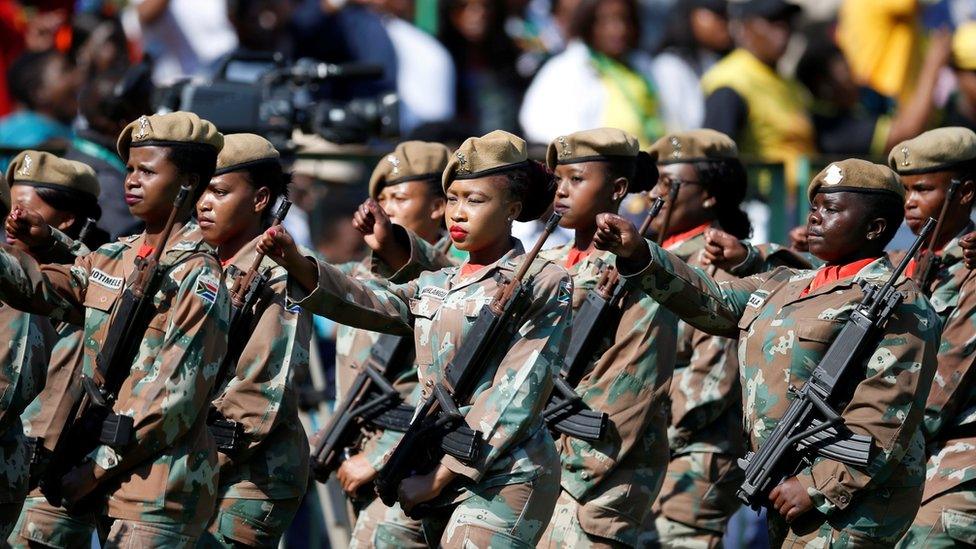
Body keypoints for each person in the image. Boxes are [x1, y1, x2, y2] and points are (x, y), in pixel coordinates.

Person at [594, 159, 941, 546]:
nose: (816, 219)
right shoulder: (788, 283)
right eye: (814, 208)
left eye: (832, 210)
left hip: (851, 503)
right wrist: (641, 255)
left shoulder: (899, 304)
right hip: (782, 482)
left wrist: (816, 484)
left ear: (875, 228)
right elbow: (714, 300)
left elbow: (885, 416)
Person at [257, 130, 572, 546]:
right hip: (430, 463)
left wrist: (439, 477)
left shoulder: (543, 281)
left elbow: (517, 393)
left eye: (475, 200)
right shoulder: (435, 282)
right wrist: (298, 263)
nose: (458, 213)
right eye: (454, 199)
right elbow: (367, 300)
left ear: (512, 208)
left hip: (503, 472)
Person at [0, 111, 230, 546]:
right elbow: (43, 291)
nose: (131, 180)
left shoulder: (200, 273)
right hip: (109, 487)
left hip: (154, 492)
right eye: (128, 170)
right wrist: (39, 243)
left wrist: (95, 468)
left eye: (147, 170)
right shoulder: (116, 256)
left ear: (187, 183)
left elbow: (173, 398)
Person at [531, 128, 675, 548]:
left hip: (595, 474)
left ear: (617, 189)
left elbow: (635, 379)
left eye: (576, 180)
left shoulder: (640, 268)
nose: (561, 191)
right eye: (557, 179)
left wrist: (563, 465)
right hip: (536, 463)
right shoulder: (545, 264)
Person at [184, 133, 310, 547]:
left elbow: (260, 391)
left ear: (260, 200)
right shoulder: (195, 264)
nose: (203, 203)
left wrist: (188, 460)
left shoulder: (279, 272)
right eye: (199, 190)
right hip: (195, 461)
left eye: (219, 192)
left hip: (247, 473)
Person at [329, 141, 457, 548]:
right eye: (380, 199)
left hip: (412, 462)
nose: (386, 209)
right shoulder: (361, 275)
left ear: (438, 206)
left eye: (399, 197)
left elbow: (454, 388)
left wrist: (382, 455)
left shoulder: (456, 277)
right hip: (358, 460)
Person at [631, 129, 749, 547]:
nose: (654, 197)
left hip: (691, 454)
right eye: (654, 184)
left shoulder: (716, 262)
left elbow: (712, 380)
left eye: (670, 185)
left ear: (711, 196)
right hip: (641, 448)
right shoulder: (645, 255)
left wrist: (637, 438)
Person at [1, 151, 109, 547]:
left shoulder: (92, 282)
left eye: (26, 209)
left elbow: (100, 277)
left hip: (46, 488)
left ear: (64, 220)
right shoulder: (8, 274)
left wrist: (50, 244)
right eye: (9, 207)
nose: (13, 219)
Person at [882, 128, 976, 547]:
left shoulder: (971, 269)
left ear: (965, 192)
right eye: (904, 190)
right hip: (905, 444)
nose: (910, 203)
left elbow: (942, 389)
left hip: (958, 452)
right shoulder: (911, 265)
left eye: (923, 188)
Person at [520, 0, 698, 147]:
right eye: (605, 21)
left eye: (624, 20)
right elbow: (549, 131)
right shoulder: (564, 71)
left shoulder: (644, 67)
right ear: (588, 24)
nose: (618, 30)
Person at [796, 29, 950, 156]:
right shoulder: (833, 130)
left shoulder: (864, 102)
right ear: (823, 86)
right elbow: (905, 133)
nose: (852, 75)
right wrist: (933, 64)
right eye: (842, 69)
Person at [701, 0, 814, 163]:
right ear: (745, 28)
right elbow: (715, 156)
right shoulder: (730, 80)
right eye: (771, 22)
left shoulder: (790, 84)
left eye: (786, 23)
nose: (782, 32)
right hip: (763, 187)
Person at [65, 67, 153, 240]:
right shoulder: (104, 181)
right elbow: (123, 246)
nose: (152, 116)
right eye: (145, 110)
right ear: (123, 123)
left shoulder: (80, 153)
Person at [0, 49, 79, 157]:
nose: (77, 77)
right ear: (38, 92)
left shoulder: (62, 127)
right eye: (65, 70)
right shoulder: (27, 131)